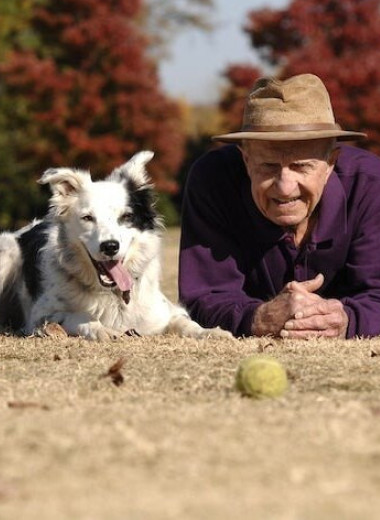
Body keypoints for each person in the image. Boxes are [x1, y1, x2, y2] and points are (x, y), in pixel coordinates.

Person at [178, 73, 380, 339]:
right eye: (268, 166)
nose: (285, 187)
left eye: (301, 166)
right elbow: (204, 297)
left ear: (330, 162)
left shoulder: (370, 183)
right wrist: (259, 317)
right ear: (246, 159)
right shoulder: (212, 180)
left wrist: (346, 320)